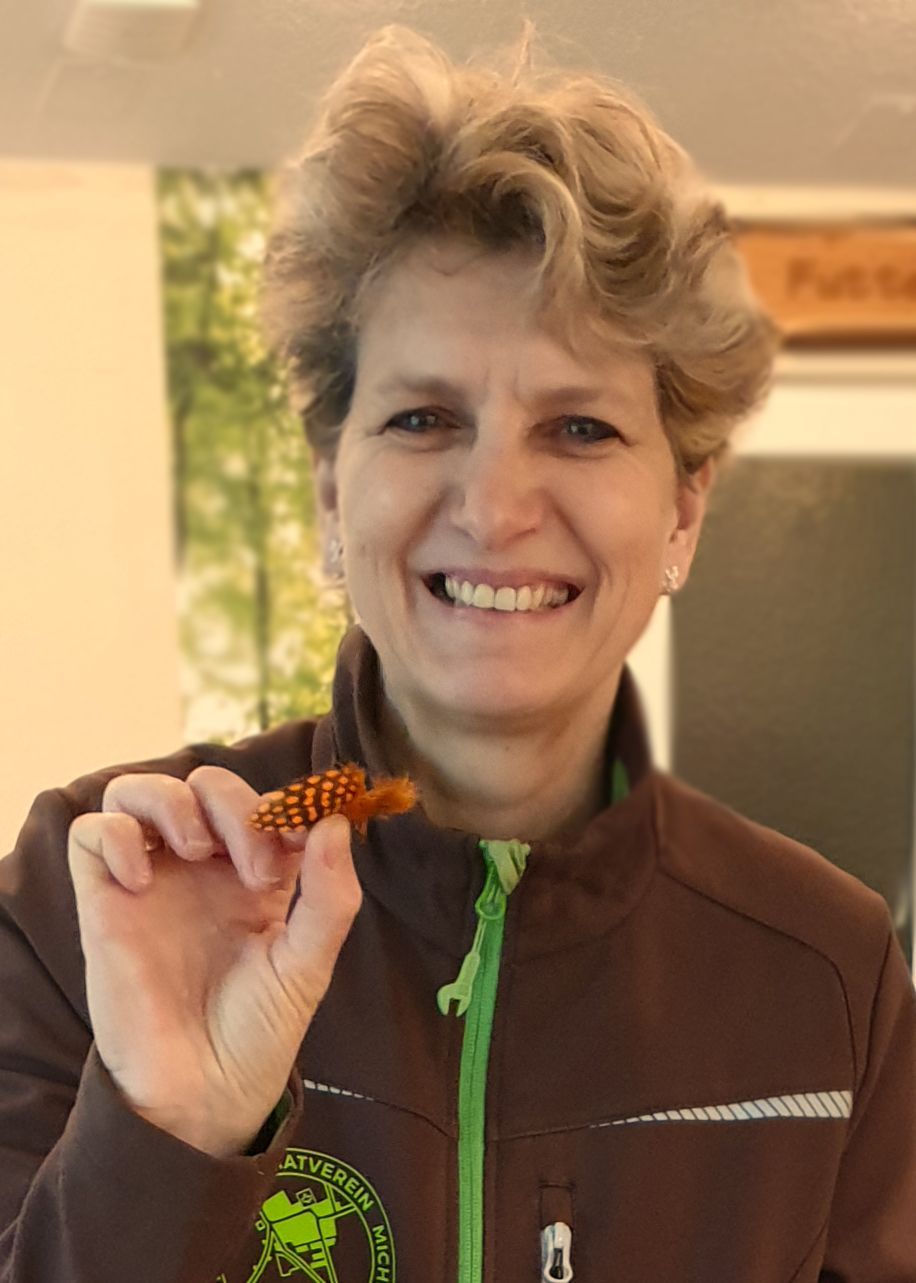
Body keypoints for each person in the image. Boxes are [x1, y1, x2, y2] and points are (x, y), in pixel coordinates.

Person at [1, 22, 914, 1283]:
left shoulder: (831, 976)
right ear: (333, 494)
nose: (493, 506)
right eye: (425, 416)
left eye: (580, 427)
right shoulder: (97, 899)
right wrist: (172, 1136)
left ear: (682, 513)